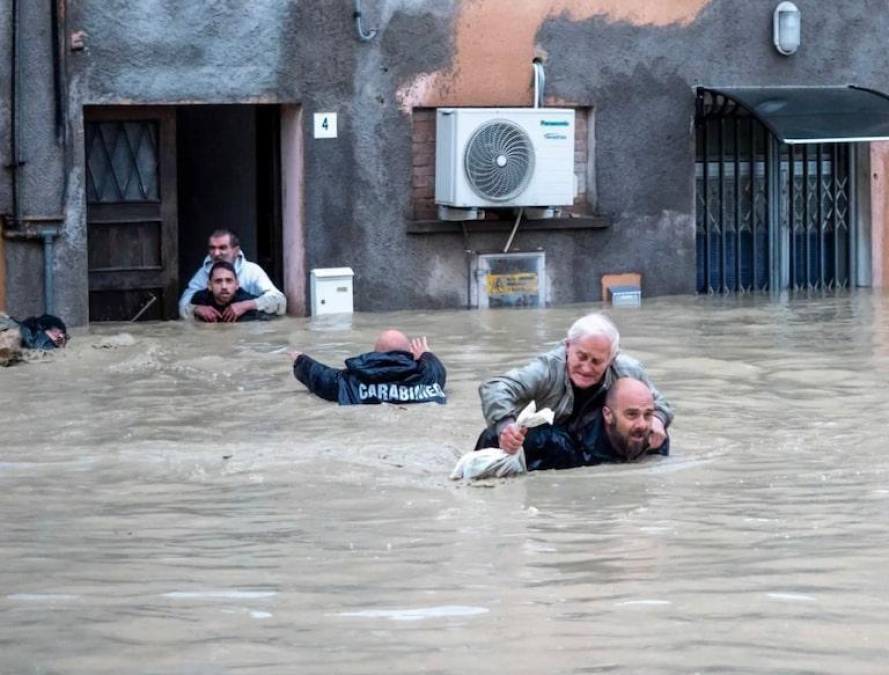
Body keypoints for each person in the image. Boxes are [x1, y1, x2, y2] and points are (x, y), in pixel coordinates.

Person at [475, 312, 672, 453]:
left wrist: (657, 420)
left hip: (587, 441)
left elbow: (660, 404)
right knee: (553, 444)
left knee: (656, 437)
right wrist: (506, 427)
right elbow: (495, 387)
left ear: (611, 360)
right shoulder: (547, 369)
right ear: (568, 346)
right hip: (545, 439)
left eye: (596, 361)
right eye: (581, 357)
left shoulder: (627, 370)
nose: (586, 368)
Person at [519, 377, 670, 471]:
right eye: (631, 414)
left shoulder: (656, 438)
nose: (642, 425)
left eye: (648, 414)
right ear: (608, 415)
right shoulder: (560, 447)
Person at [291, 329, 447, 405]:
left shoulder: (351, 380)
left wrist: (301, 361)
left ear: (375, 355)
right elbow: (438, 373)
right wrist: (427, 356)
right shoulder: (427, 377)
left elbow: (322, 378)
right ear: (410, 355)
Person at [179, 229, 286, 321]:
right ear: (209, 284)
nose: (216, 253)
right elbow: (182, 306)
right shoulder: (202, 273)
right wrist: (197, 309)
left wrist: (246, 305)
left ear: (236, 250)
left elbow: (280, 301)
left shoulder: (252, 271)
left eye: (222, 248)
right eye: (212, 248)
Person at [188, 261, 272, 323]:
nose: (224, 286)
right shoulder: (200, 299)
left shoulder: (245, 300)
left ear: (237, 285)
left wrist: (246, 306)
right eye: (218, 281)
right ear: (209, 286)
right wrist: (195, 309)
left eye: (229, 281)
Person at [0, 313, 68, 366]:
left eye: (61, 334)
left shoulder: (50, 340)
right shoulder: (18, 333)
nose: (59, 336)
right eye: (55, 331)